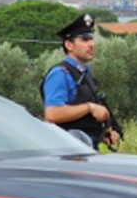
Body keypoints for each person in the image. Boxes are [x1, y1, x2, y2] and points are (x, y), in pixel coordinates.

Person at [41, 13, 121, 149]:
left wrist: (102, 135)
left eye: (91, 39)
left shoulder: (84, 72)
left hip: (84, 149)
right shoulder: (60, 74)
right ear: (69, 45)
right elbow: (52, 114)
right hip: (66, 154)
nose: (91, 44)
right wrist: (90, 107)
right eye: (84, 40)